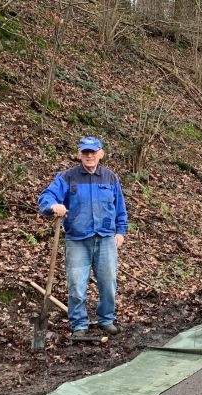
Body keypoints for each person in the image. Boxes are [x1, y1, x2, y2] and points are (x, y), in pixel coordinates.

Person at [38, 137, 128, 337]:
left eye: (93, 152)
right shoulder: (67, 177)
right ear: (79, 154)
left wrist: (121, 231)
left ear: (101, 154)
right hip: (77, 239)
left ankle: (106, 320)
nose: (89, 156)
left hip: (106, 239)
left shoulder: (110, 178)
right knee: (77, 284)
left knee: (108, 283)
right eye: (85, 152)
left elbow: (120, 207)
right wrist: (53, 206)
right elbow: (46, 196)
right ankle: (79, 325)